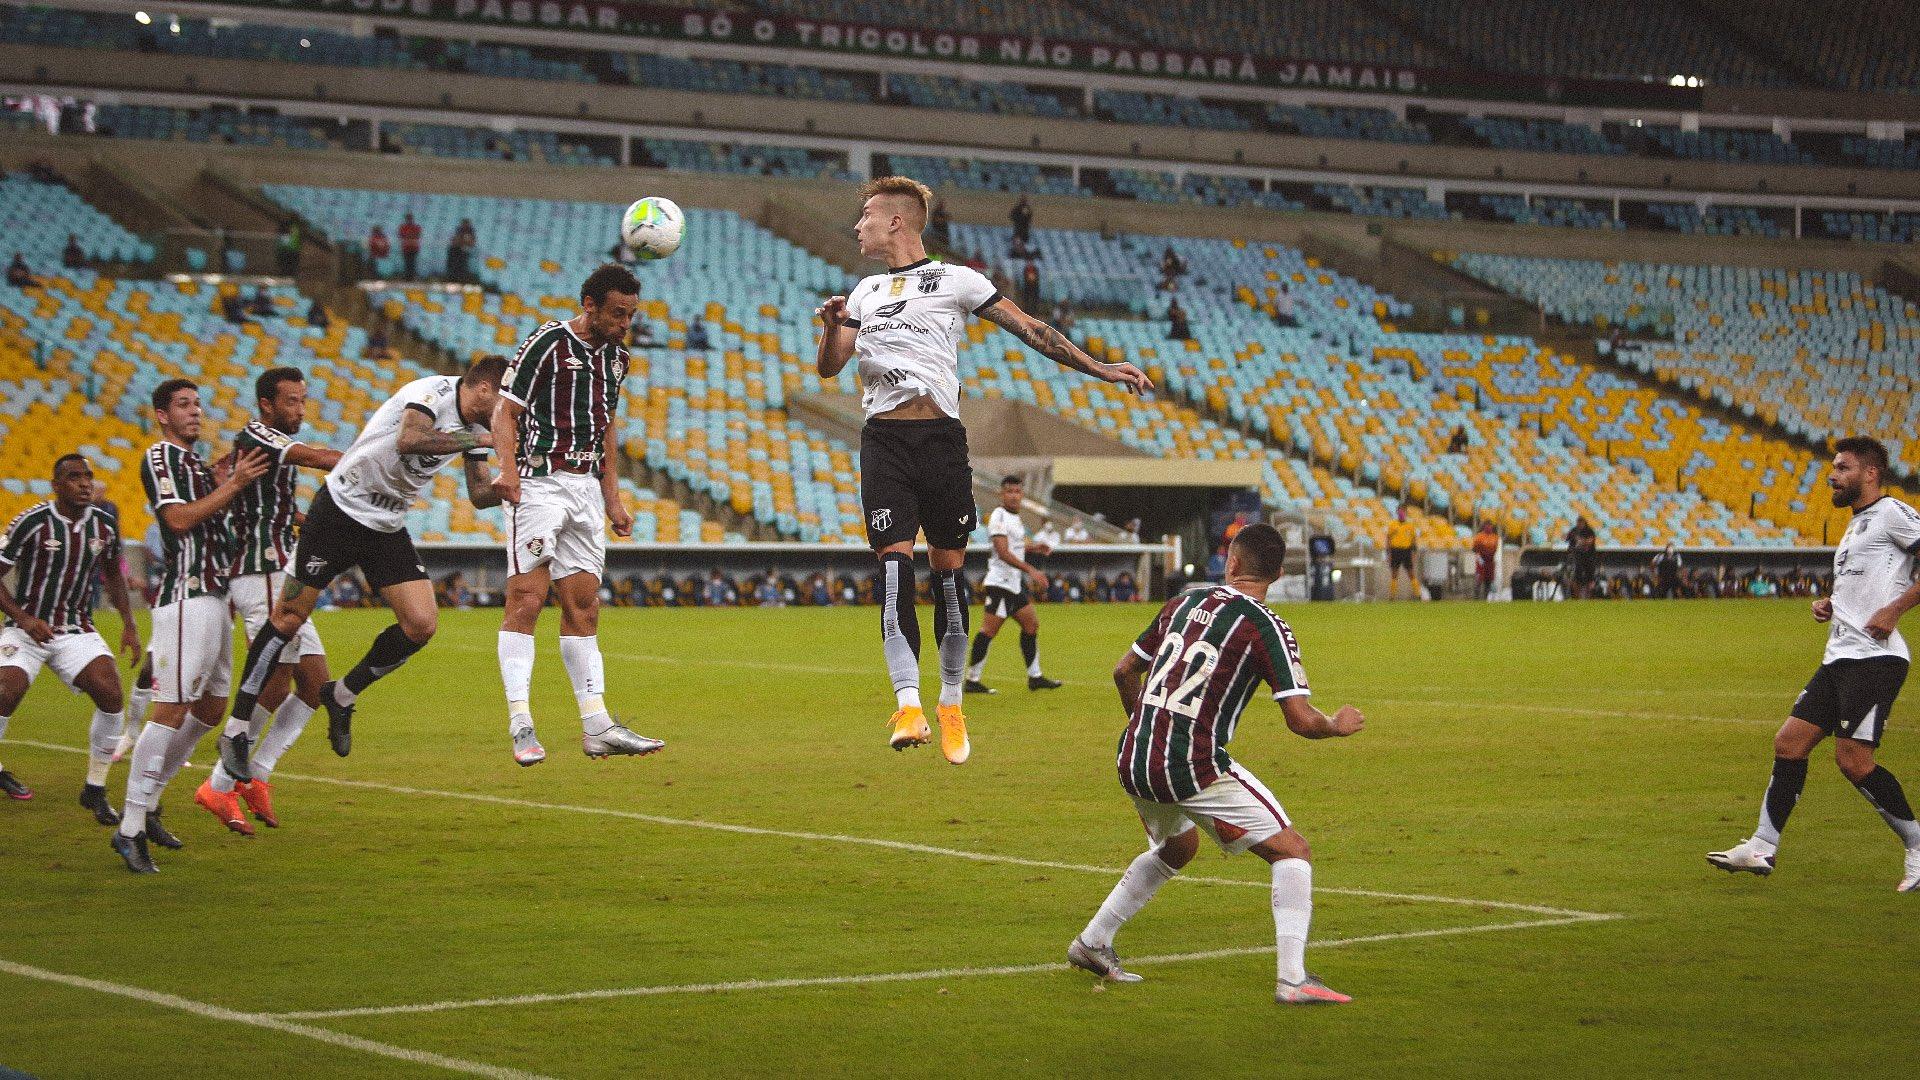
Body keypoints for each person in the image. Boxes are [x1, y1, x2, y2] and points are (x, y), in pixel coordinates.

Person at [813, 175, 1149, 765]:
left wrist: (1098, 366)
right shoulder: (862, 292)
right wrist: (830, 325)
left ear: (897, 221)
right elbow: (829, 368)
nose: (858, 225)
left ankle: (949, 702)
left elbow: (1031, 329)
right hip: (884, 441)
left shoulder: (956, 279)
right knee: (893, 569)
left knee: (947, 574)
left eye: (867, 215)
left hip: (941, 441)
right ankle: (909, 703)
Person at [1068, 523, 1365, 1002]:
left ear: (1231, 563)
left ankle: (1092, 942)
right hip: (1190, 764)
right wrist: (1335, 724)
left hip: (1133, 754)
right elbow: (1299, 719)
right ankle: (1293, 979)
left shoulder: (1184, 602)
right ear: (1276, 573)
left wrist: (1146, 726)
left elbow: (1123, 670)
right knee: (1293, 851)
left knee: (1178, 849)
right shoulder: (1266, 626)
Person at [220, 356, 507, 799]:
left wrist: (516, 483)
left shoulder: (476, 426)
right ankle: (236, 730)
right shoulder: (430, 392)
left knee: (421, 625)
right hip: (338, 512)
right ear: (484, 389)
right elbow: (410, 440)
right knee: (288, 617)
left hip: (386, 525)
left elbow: (479, 493)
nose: (505, 408)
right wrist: (483, 435)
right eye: (503, 397)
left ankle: (343, 695)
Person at [1709, 438, 1920, 892]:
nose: (1832, 474)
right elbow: (1869, 585)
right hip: (1840, 656)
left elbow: (1896, 589)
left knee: (1854, 761)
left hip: (1875, 659)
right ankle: (1762, 847)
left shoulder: (1892, 514)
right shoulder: (1856, 525)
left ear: (1870, 473)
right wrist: (1832, 604)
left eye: (1842, 467)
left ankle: (1917, 845)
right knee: (1789, 742)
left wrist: (1895, 611)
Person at [494, 264, 662, 766]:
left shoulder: (618, 358)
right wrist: (508, 471)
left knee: (584, 606)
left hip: (585, 487)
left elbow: (607, 427)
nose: (624, 323)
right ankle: (521, 721)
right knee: (526, 598)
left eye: (631, 315)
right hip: (539, 484)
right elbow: (505, 411)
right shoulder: (547, 342)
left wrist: (613, 497)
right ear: (589, 304)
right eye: (617, 313)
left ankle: (597, 725)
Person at [111, 380, 269, 873]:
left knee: (210, 708)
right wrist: (233, 483)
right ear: (161, 415)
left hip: (216, 597)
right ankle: (130, 826)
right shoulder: (162, 457)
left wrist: (224, 481)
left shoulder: (198, 468)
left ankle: (151, 800)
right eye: (183, 405)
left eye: (198, 404)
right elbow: (176, 521)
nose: (195, 412)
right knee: (172, 707)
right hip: (186, 595)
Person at [196, 368, 343, 833]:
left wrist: (298, 520)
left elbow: (267, 503)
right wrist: (374, 457)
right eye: (292, 401)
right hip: (259, 572)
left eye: (304, 400)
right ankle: (218, 787)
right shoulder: (258, 433)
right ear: (266, 404)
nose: (301, 409)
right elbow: (319, 457)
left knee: (316, 687)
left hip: (282, 570)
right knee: (276, 681)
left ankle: (256, 775)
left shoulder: (262, 447)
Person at [0, 454, 142, 817]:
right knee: (4, 691)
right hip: (26, 628)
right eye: (74, 477)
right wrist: (23, 616)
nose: (84, 483)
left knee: (111, 694)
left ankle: (95, 788)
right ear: (56, 485)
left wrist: (129, 623)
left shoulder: (105, 525)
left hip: (76, 628)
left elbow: (113, 574)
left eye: (88, 477)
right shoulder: (32, 521)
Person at [964, 475, 1062, 695]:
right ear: (1001, 494)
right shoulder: (999, 516)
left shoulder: (1015, 518)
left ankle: (1035, 677)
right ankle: (972, 680)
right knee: (988, 631)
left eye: (1018, 492)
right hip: (1000, 584)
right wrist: (1031, 570)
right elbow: (1003, 552)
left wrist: (1034, 548)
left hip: (1013, 585)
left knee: (1031, 625)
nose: (1014, 496)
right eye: (1010, 491)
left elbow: (1015, 547)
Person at [1385, 506, 1417, 600]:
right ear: (1397, 512)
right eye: (1399, 511)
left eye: (1403, 511)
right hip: (1395, 551)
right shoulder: (1393, 525)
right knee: (1394, 574)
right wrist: (1388, 554)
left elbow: (1413, 541)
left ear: (1406, 512)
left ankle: (1418, 594)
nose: (1401, 513)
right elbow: (1388, 539)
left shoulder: (1410, 526)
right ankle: (1392, 596)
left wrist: (1414, 555)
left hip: (1406, 551)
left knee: (1411, 573)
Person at [1565, 514, 1598, 599]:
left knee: (1590, 578)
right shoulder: (1574, 530)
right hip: (1578, 558)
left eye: (1581, 522)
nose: (1579, 524)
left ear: (1584, 523)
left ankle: (1589, 597)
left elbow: (1590, 541)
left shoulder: (1589, 531)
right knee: (1577, 579)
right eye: (1578, 522)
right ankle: (1577, 598)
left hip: (1589, 557)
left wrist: (1580, 541)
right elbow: (1566, 538)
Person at [1472, 520, 1500, 600]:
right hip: (1482, 560)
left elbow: (1495, 549)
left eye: (1490, 525)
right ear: (1484, 526)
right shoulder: (1479, 537)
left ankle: (1485, 598)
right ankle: (1476, 597)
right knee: (1479, 580)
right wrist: (1479, 557)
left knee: (1488, 580)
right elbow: (1474, 549)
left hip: (1490, 561)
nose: (1489, 527)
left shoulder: (1495, 537)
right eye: (1487, 525)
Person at [398, 213, 422, 279]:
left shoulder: (416, 227)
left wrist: (409, 235)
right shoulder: (403, 227)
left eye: (410, 218)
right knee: (406, 263)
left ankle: (412, 276)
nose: (409, 220)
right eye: (408, 218)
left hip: (414, 248)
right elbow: (401, 235)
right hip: (406, 248)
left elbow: (418, 235)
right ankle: (407, 277)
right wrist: (410, 235)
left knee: (413, 262)